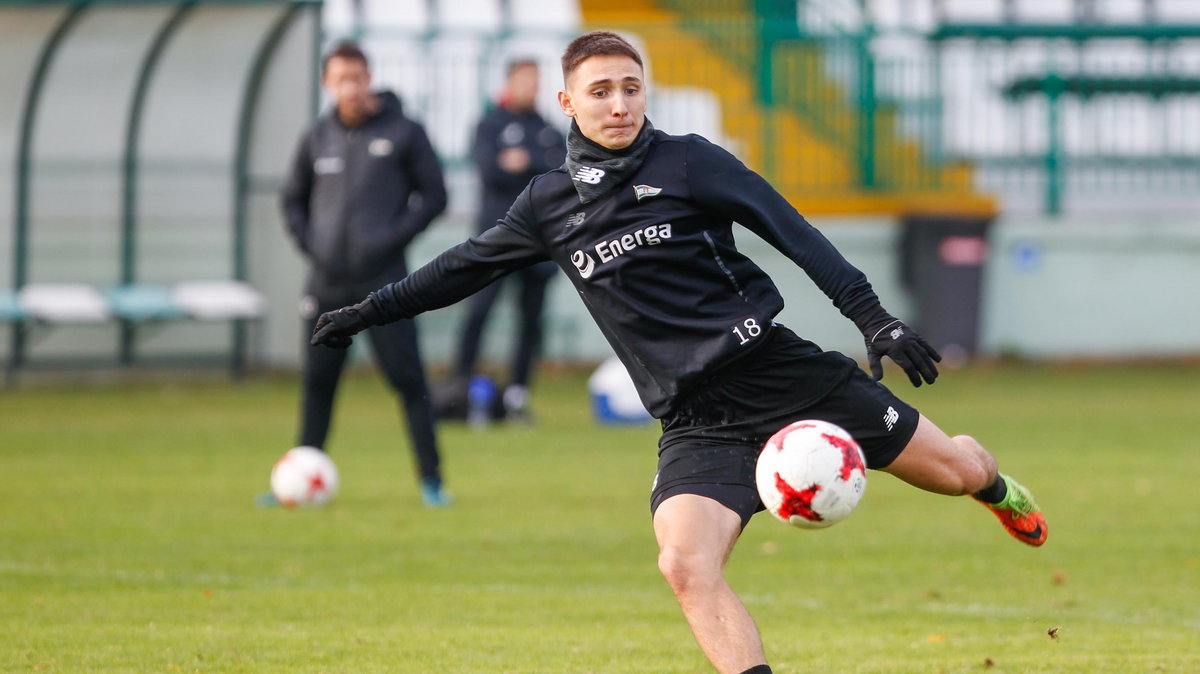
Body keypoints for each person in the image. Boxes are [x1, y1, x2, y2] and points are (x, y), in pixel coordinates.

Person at [309, 31, 1047, 673]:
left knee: (955, 471)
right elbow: (458, 269)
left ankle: (995, 487)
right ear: (568, 105)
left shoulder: (691, 162)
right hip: (697, 420)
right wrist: (367, 311)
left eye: (631, 88)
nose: (620, 104)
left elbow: (793, 232)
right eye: (601, 92)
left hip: (785, 375)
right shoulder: (548, 205)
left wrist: (873, 319)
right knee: (684, 565)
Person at [281, 42, 450, 507]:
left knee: (408, 382)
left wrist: (391, 238)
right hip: (327, 284)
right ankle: (300, 478)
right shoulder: (317, 137)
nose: (351, 88)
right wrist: (313, 245)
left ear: (369, 78)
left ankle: (432, 481)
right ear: (327, 84)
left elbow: (435, 195)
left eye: (357, 78)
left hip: (385, 284)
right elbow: (291, 200)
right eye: (341, 80)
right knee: (318, 384)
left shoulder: (403, 132)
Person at [451, 59, 566, 421]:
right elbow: (490, 170)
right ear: (510, 81)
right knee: (479, 311)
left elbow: (561, 173)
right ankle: (459, 389)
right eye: (525, 79)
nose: (532, 86)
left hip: (541, 239)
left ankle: (517, 394)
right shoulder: (490, 124)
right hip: (496, 238)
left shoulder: (548, 129)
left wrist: (523, 161)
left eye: (536, 80)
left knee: (531, 320)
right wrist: (524, 164)